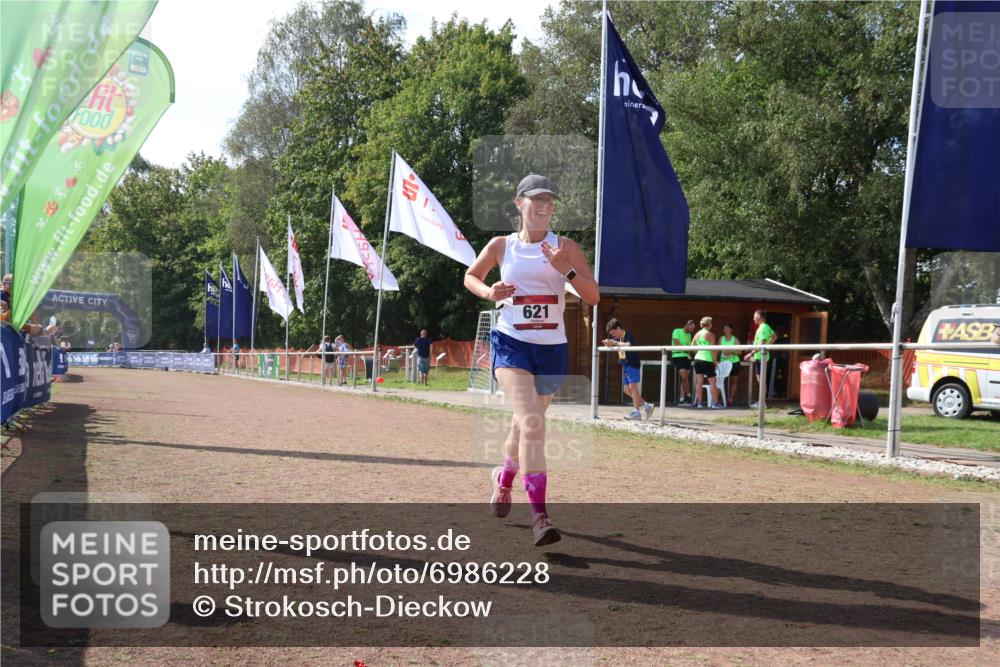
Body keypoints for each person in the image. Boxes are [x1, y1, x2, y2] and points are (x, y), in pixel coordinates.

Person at [464, 174, 599, 547]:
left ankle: (503, 478)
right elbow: (471, 276)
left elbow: (593, 295)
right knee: (532, 421)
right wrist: (490, 291)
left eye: (549, 201)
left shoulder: (566, 247)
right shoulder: (502, 246)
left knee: (524, 426)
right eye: (535, 199)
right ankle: (540, 516)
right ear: (519, 203)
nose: (543, 206)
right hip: (512, 344)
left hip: (553, 348)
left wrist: (565, 270)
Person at [603, 318, 653, 420]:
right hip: (625, 365)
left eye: (613, 333)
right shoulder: (618, 339)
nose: (613, 336)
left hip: (632, 364)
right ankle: (646, 405)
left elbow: (628, 345)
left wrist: (613, 342)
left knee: (633, 387)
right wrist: (608, 343)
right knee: (626, 389)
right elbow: (615, 343)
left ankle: (636, 412)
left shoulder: (628, 335)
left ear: (618, 328)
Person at [744, 309, 777, 408]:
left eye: (754, 316)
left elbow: (762, 343)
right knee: (761, 380)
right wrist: (768, 346)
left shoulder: (763, 327)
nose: (753, 318)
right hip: (760, 356)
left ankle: (762, 403)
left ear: (759, 316)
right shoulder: (765, 326)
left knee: (761, 380)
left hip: (761, 357)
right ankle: (762, 402)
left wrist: (751, 353)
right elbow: (775, 337)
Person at [692, 316, 724, 409]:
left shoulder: (697, 334)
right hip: (707, 360)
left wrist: (699, 351)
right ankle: (715, 403)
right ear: (709, 324)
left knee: (699, 382)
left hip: (697, 359)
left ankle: (700, 403)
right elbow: (712, 350)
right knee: (713, 382)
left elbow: (692, 347)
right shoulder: (710, 335)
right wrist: (715, 361)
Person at [671, 319, 697, 404]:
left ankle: (682, 398)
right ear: (688, 325)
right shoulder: (676, 330)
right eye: (691, 328)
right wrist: (687, 348)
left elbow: (690, 348)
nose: (692, 330)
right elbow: (677, 344)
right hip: (678, 355)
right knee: (684, 375)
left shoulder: (689, 335)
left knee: (685, 378)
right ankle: (688, 395)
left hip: (687, 357)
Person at [719, 323, 741, 406]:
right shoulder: (721, 339)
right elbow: (716, 350)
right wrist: (715, 361)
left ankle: (730, 399)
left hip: (734, 363)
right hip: (723, 363)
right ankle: (720, 400)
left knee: (733, 382)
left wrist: (731, 352)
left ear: (731, 330)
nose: (726, 330)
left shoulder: (735, 339)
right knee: (720, 382)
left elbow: (740, 351)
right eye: (724, 328)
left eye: (728, 328)